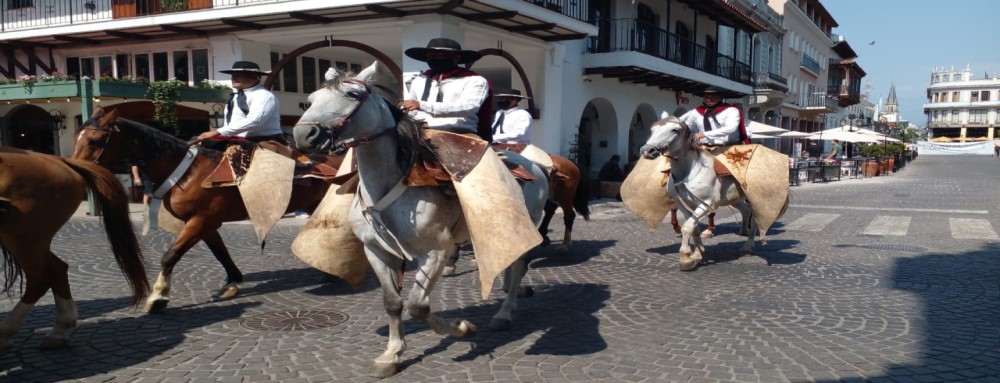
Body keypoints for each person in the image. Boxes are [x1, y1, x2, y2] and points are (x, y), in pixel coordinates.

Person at [398, 38, 493, 142]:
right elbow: (413, 109)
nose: (432, 59)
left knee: (485, 158)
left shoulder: (474, 80)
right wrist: (405, 110)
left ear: (456, 58)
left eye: (438, 55)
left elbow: (469, 107)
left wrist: (422, 105)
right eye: (430, 56)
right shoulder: (419, 80)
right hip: (422, 132)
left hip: (460, 133)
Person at [195, 61, 285, 145]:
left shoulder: (264, 96)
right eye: (233, 75)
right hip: (238, 140)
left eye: (239, 75)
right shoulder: (236, 96)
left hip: (264, 140)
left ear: (255, 78)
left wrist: (217, 132)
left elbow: (254, 121)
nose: (233, 78)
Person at [678, 86, 749, 146]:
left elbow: (730, 128)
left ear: (721, 98)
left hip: (728, 147)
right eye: (706, 97)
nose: (709, 100)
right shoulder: (696, 111)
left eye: (713, 97)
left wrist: (704, 134)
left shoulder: (731, 111)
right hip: (703, 146)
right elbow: (688, 127)